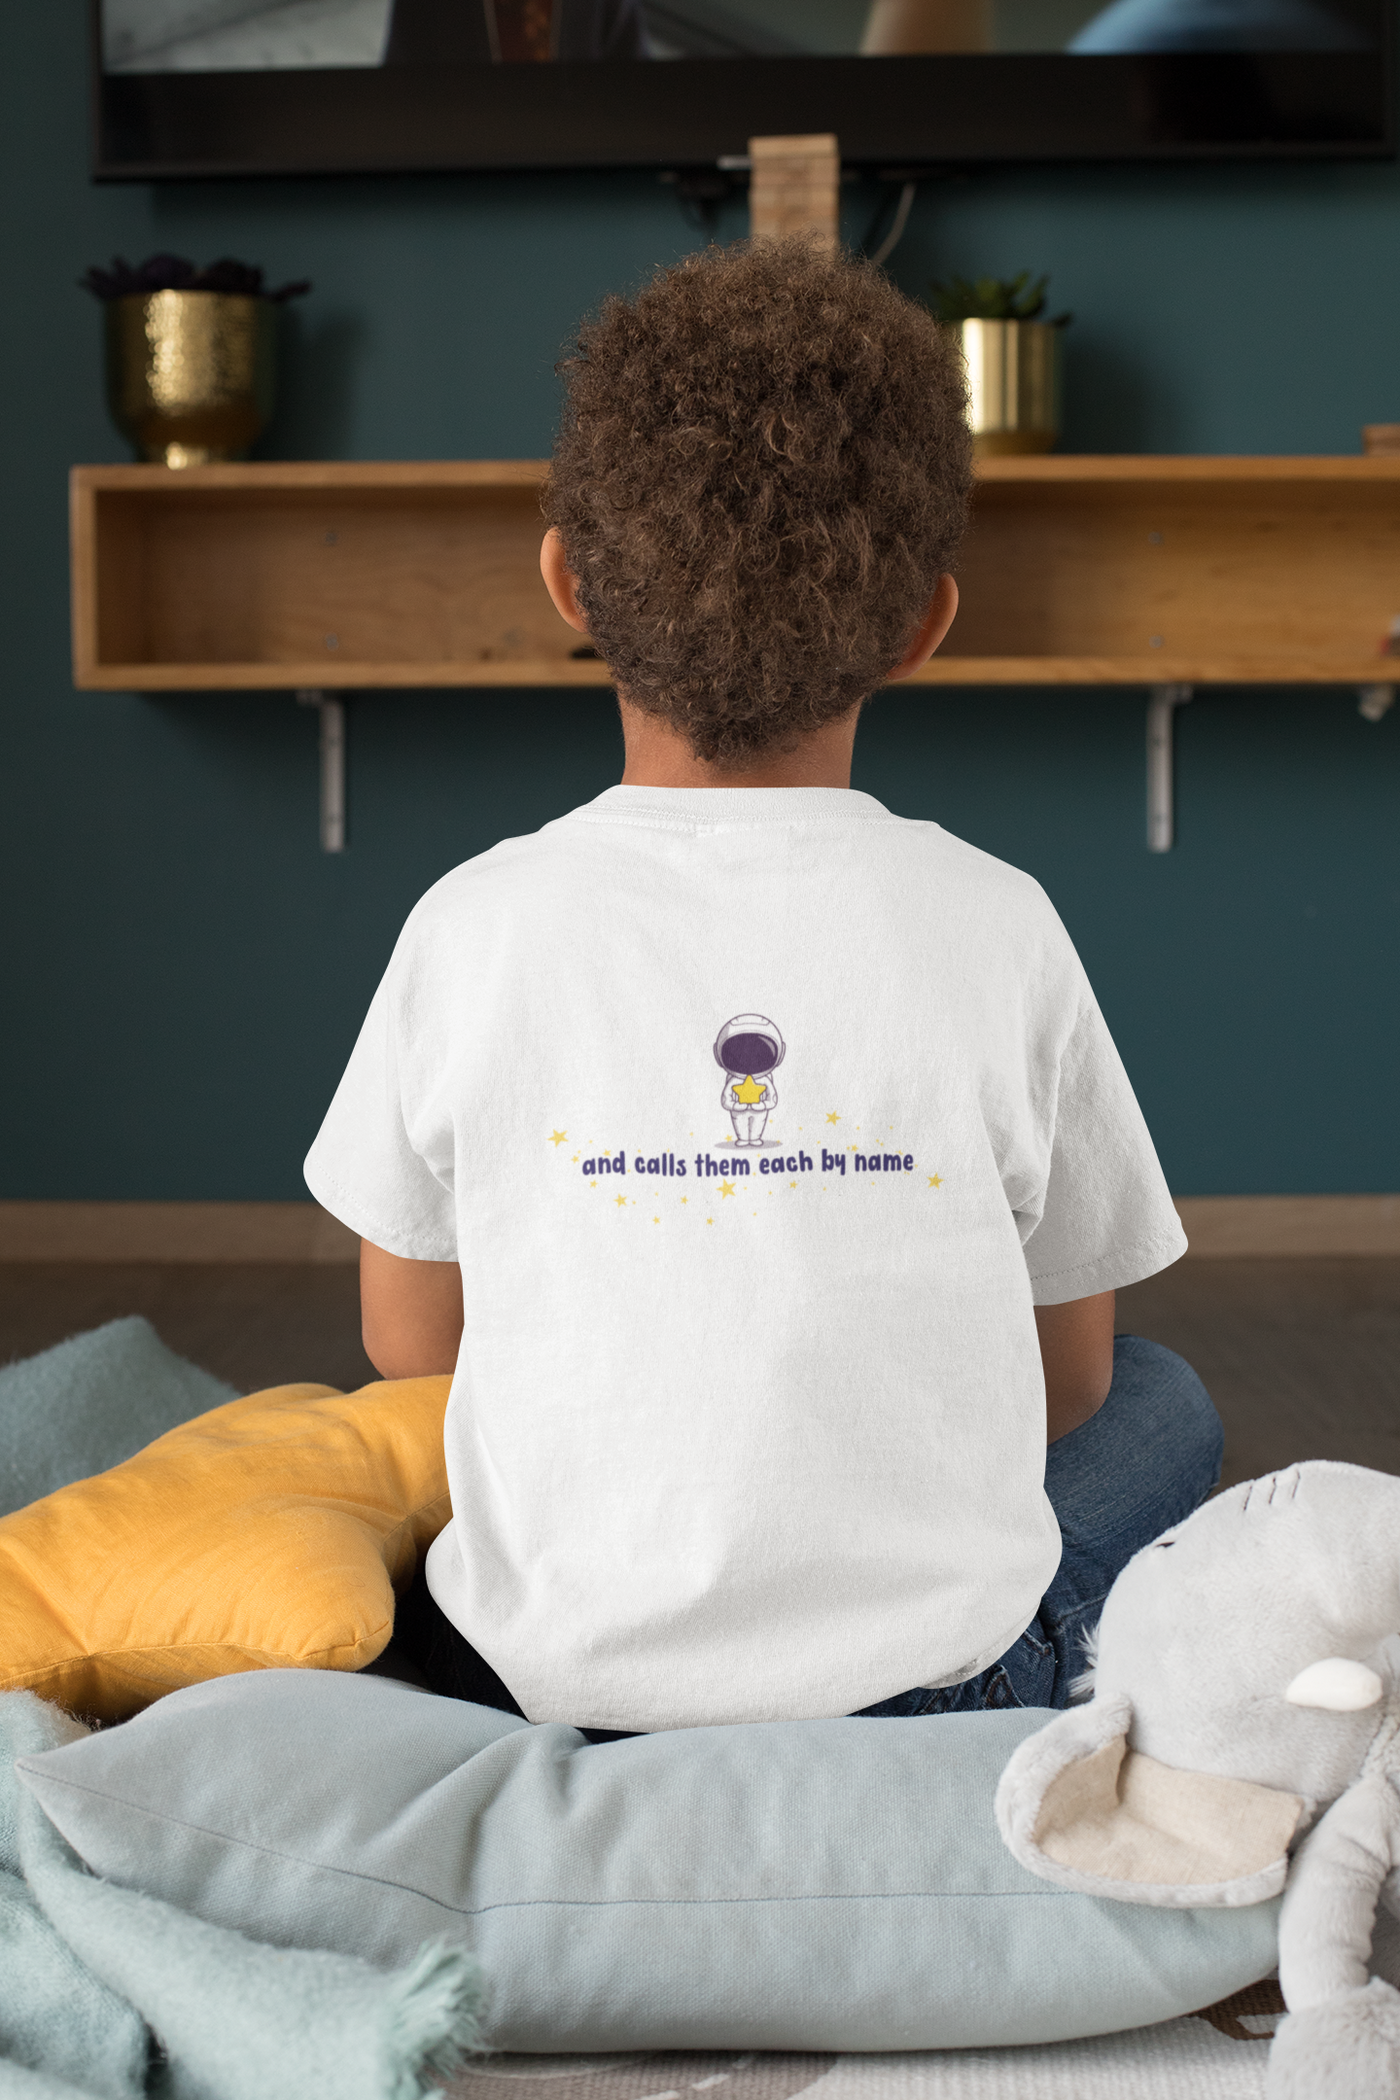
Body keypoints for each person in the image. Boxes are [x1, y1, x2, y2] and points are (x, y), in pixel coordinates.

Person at [304, 238, 1221, 1737]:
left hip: (545, 1683)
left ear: (565, 583)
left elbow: (413, 1347)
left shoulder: (470, 923)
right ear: (927, 622)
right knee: (1165, 1399)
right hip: (935, 1693)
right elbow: (1065, 1381)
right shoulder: (1000, 922)